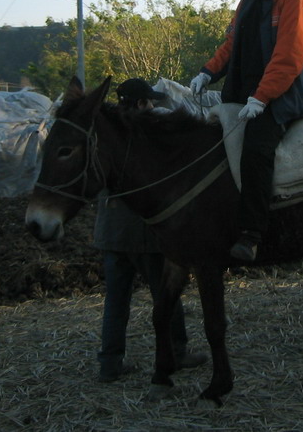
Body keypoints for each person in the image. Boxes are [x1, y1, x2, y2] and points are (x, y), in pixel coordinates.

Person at [189, 0, 303, 262]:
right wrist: (207, 72)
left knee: (255, 148)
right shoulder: (248, 2)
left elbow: (289, 56)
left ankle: (253, 233)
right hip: (246, 91)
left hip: (287, 93)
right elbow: (231, 45)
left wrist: (262, 97)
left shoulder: (294, 3)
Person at [94, 77, 207, 383]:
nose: (154, 105)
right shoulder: (146, 133)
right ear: (142, 104)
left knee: (116, 301)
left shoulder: (108, 133)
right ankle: (178, 350)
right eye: (150, 101)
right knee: (167, 293)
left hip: (110, 231)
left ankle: (110, 363)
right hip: (145, 232)